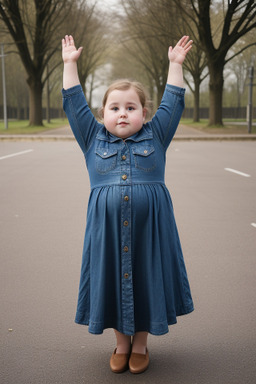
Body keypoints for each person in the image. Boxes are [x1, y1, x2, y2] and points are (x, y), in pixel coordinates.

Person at [62, 34, 194, 374]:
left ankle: (140, 345)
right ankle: (121, 345)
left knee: (146, 277)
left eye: (131, 108)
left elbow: (174, 102)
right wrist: (70, 65)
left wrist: (175, 66)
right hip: (106, 232)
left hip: (151, 231)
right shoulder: (92, 139)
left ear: (143, 113)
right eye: (115, 108)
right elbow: (74, 103)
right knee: (114, 279)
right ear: (102, 113)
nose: (122, 113)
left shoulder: (156, 135)